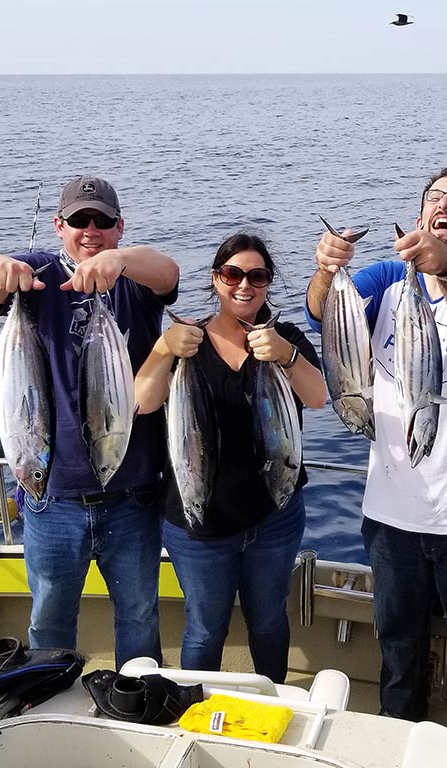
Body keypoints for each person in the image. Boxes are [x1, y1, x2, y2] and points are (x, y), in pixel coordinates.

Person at [305, 167, 447, 760]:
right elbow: (324, 312)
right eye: (434, 198)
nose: (444, 204)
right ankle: (399, 750)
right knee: (397, 653)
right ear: (421, 216)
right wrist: (326, 268)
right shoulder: (381, 279)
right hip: (391, 517)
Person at [0, 175, 179, 669]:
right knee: (50, 617)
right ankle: (46, 698)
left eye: (103, 221)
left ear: (120, 227)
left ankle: (137, 692)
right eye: (80, 220)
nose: (91, 230)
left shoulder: (135, 282)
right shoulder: (36, 275)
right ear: (59, 225)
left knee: (140, 615)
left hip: (133, 495)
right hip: (51, 499)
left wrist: (119, 262)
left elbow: (167, 272)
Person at [134, 232, 326, 681]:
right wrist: (164, 348)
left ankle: (272, 702)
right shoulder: (188, 343)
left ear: (268, 282)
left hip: (274, 518)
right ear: (216, 279)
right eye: (232, 274)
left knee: (270, 621)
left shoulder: (287, 338)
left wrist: (286, 355)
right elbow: (142, 402)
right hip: (198, 524)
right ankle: (196, 715)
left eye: (256, 276)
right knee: (205, 629)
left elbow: (318, 397)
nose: (244, 285)